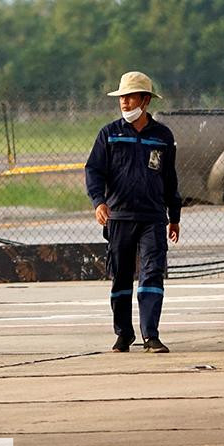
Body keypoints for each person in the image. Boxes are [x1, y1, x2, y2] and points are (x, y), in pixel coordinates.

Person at [85, 71, 182, 354]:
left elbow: (169, 179)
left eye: (130, 97)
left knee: (152, 273)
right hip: (119, 218)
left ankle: (150, 335)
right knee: (122, 276)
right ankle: (123, 334)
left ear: (146, 100)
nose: (124, 103)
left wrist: (173, 216)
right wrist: (99, 202)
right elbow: (94, 170)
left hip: (152, 217)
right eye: (121, 98)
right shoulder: (109, 134)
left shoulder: (162, 136)